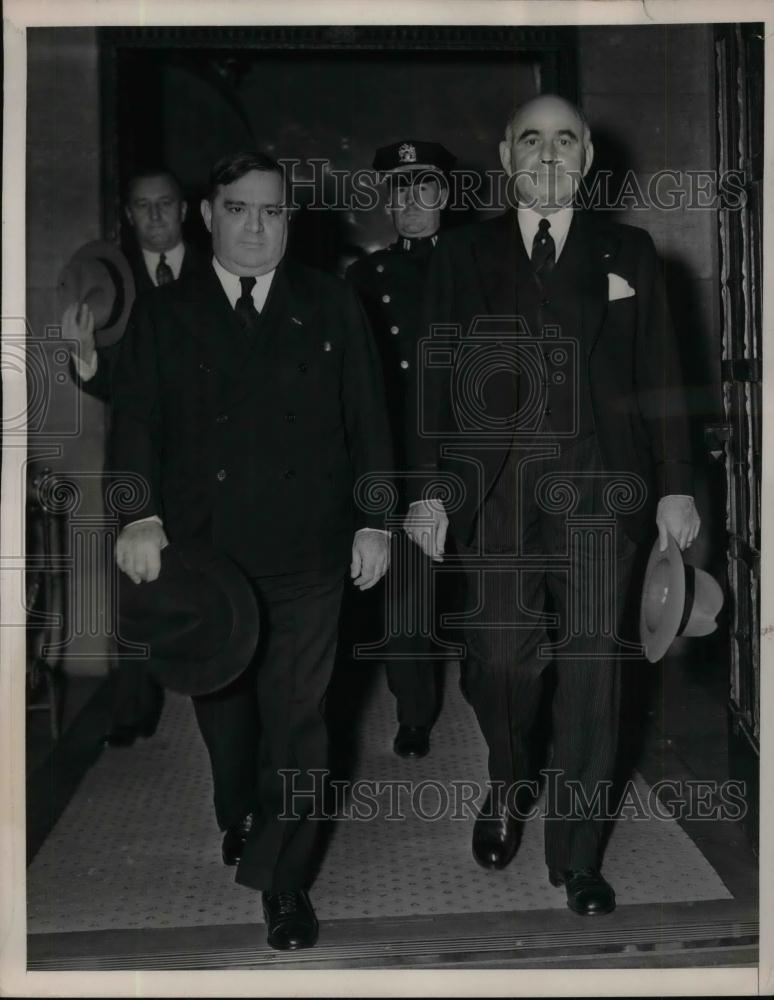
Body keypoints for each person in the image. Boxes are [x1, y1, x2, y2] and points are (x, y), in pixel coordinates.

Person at [404, 95, 700, 916]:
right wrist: (432, 492)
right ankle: (508, 778)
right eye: (530, 140)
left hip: (603, 485)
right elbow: (433, 381)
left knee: (594, 676)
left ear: (588, 156)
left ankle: (577, 856)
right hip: (494, 487)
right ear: (505, 155)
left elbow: (662, 376)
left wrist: (677, 482)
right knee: (501, 661)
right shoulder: (461, 255)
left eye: (563, 141)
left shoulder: (632, 253)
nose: (546, 155)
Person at [109, 151, 392, 950]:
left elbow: (371, 421)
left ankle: (284, 878)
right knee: (226, 718)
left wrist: (374, 520)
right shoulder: (167, 314)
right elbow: (135, 424)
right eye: (239, 209)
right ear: (208, 216)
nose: (256, 226)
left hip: (309, 548)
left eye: (272, 211)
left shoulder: (331, 303)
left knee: (298, 718)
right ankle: (239, 812)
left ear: (290, 219)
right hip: (206, 559)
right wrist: (137, 516)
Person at [66, 167, 205, 748]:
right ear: (127, 215)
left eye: (164, 204)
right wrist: (87, 362)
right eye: (142, 207)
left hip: (206, 455)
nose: (154, 216)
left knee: (207, 570)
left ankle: (214, 687)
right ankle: (134, 705)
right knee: (134, 577)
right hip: (139, 454)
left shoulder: (220, 268)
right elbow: (121, 389)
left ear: (185, 209)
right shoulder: (109, 282)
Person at [346, 140, 457, 760]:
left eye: (424, 186)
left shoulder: (475, 265)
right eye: (399, 189)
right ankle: (414, 711)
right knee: (408, 599)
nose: (411, 200)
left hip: (471, 451)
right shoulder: (364, 277)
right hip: (400, 453)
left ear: (444, 194)